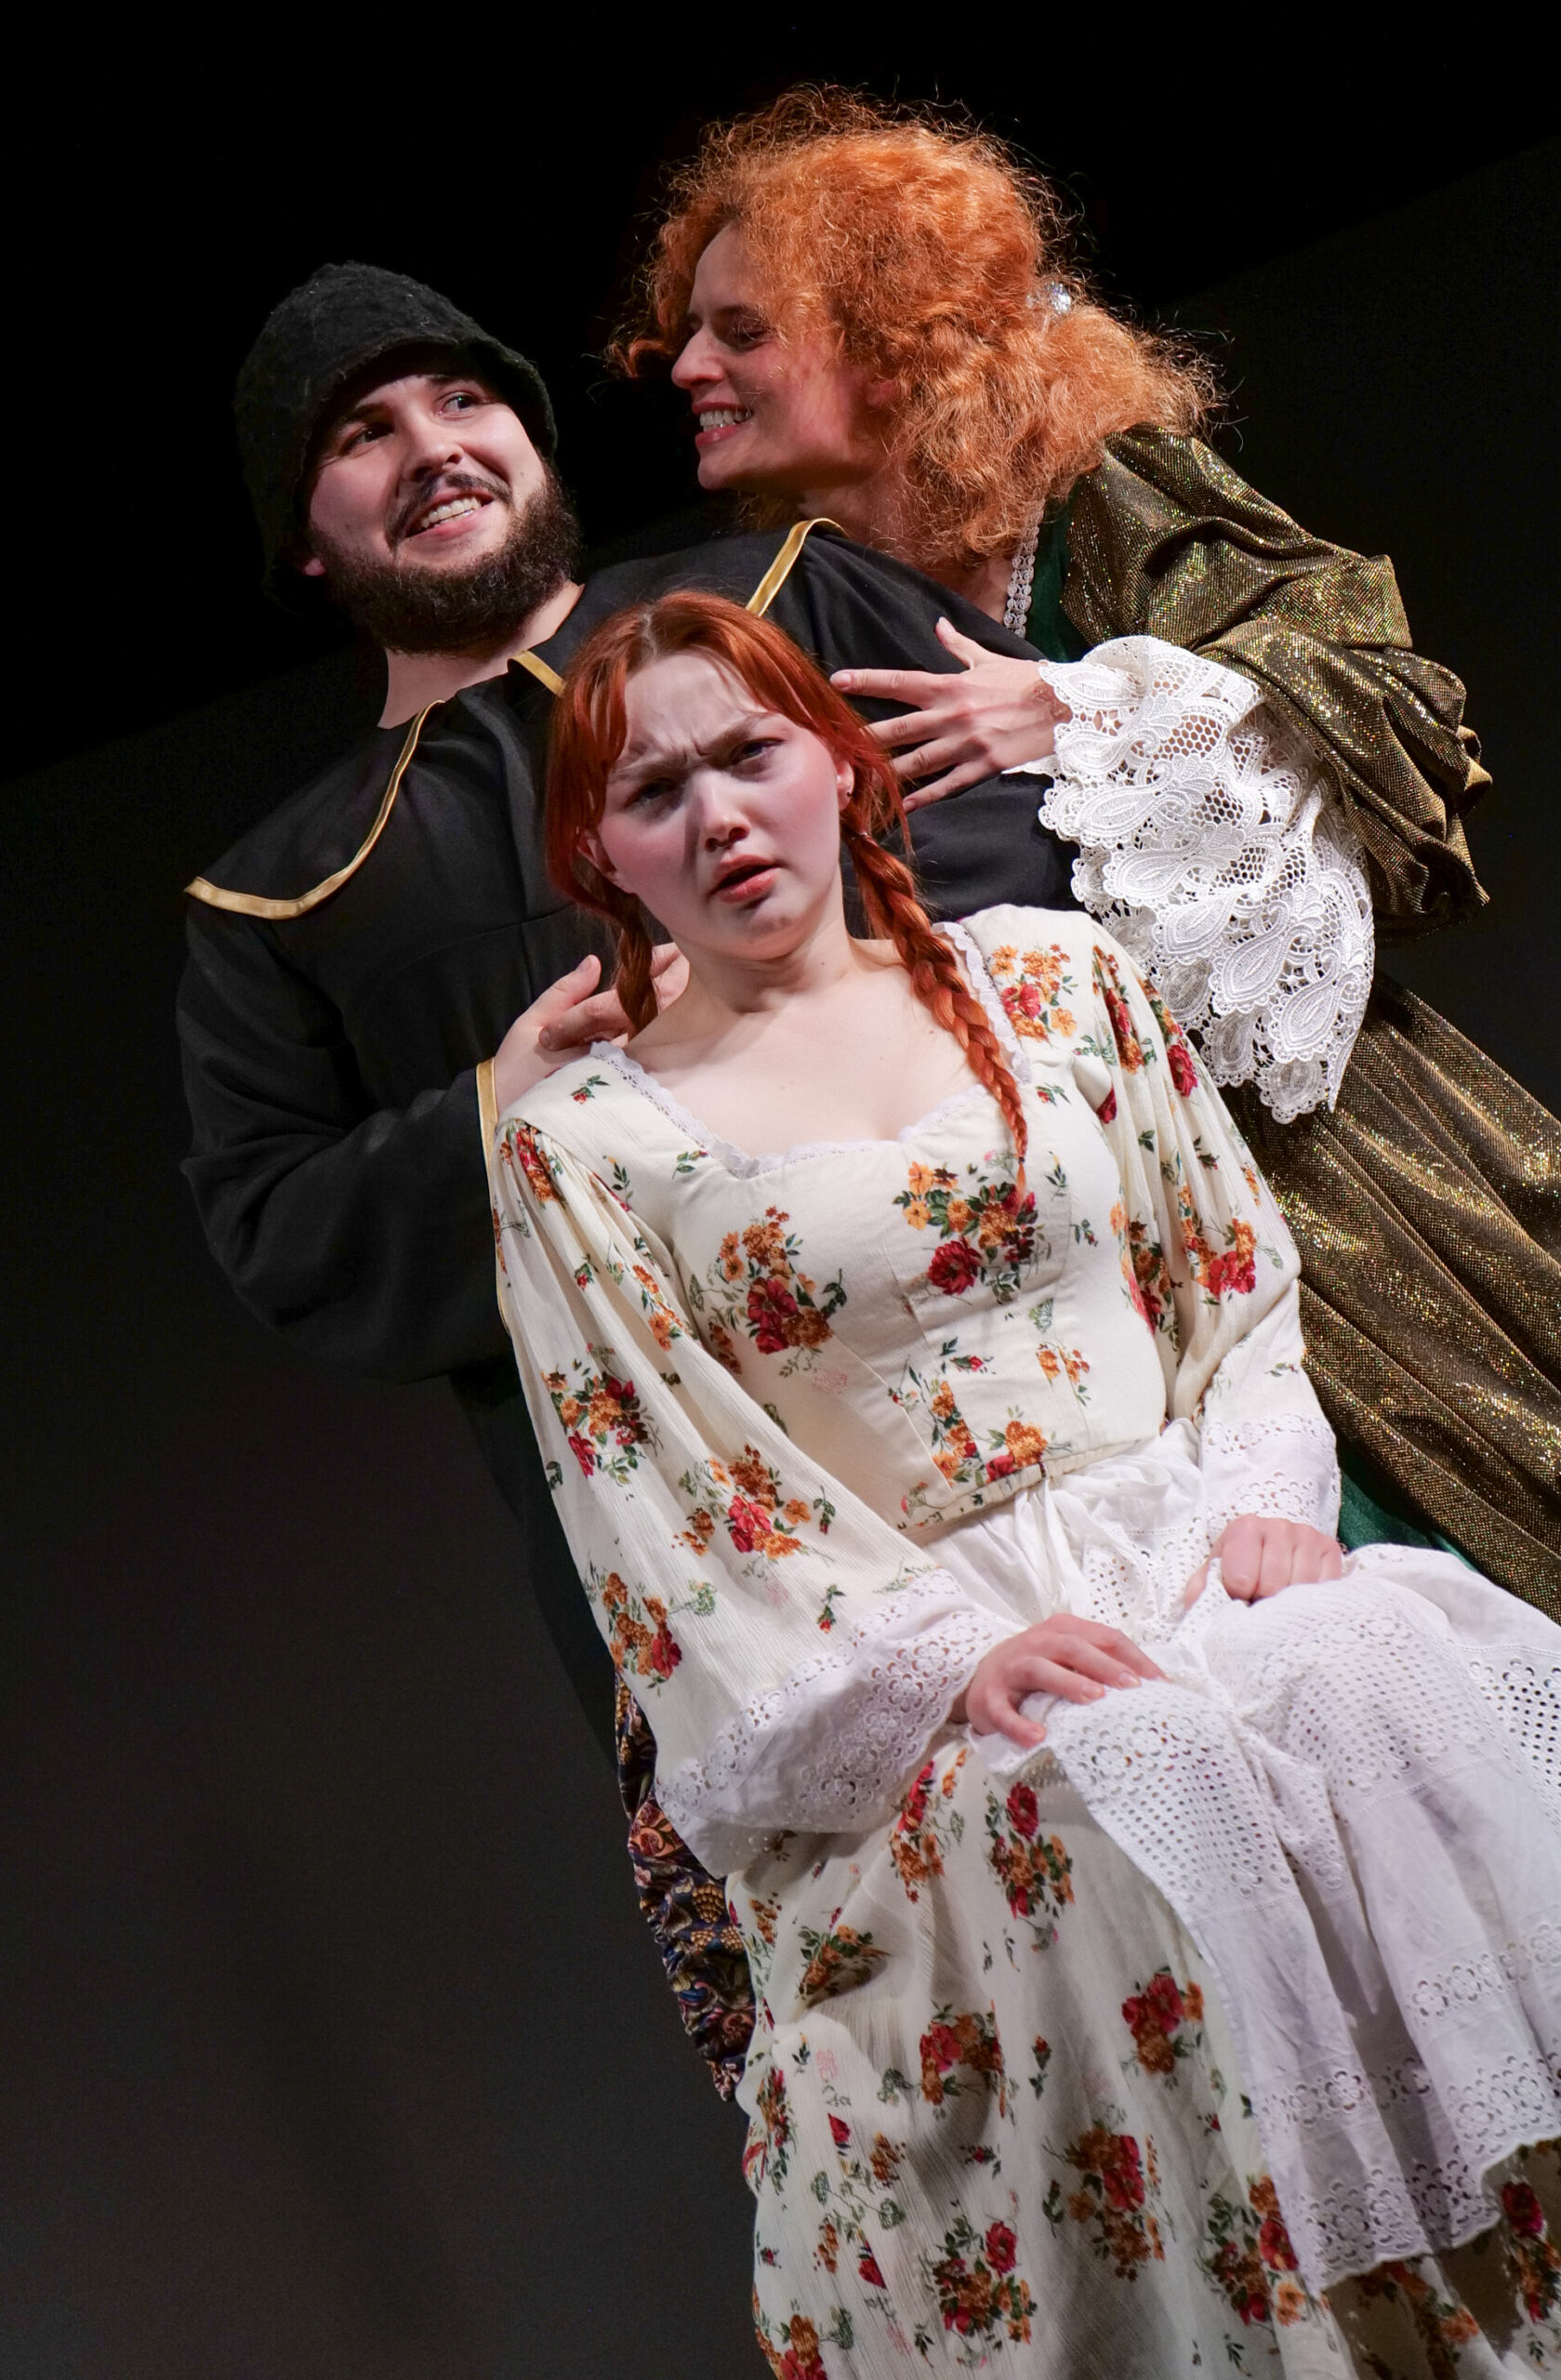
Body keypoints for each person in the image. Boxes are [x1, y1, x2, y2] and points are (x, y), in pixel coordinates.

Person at [616, 92, 1561, 2265]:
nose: (682, 366)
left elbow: (1392, 715)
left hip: (1335, 1220)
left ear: (879, 327)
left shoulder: (1096, 497)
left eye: (736, 326)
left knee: (1534, 1700)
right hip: (1102, 1280)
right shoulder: (787, 612)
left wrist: (1081, 715)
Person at [490, 585, 1561, 2376]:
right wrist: (946, 1668)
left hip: (1185, 1550)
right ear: (600, 857)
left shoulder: (1055, 979)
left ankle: (1516, 2328)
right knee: (1118, 1794)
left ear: (838, 763)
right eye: (654, 793)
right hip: (938, 1654)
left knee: (1361, 1674)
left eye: (750, 756)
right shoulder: (589, 1142)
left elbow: (1232, 1278)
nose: (718, 819)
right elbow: (665, 1497)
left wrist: (1265, 1504)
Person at [179, 258, 1087, 2084]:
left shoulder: (781, 594)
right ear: (305, 540)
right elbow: (280, 1234)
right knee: (928, 2093)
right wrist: (493, 1108)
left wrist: (770, 1012)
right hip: (718, 1565)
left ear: (530, 430)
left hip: (1030, 1418)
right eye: (364, 435)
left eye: (462, 398)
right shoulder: (281, 899)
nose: (434, 447)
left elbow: (1033, 847)